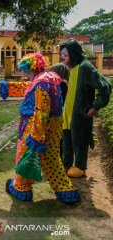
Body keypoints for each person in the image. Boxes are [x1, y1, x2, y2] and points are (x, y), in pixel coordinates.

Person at [0, 53, 80, 203]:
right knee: (52, 160)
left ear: (32, 68)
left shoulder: (41, 83)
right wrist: (5, 84)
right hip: (53, 128)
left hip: (37, 127)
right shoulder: (49, 78)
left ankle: (22, 188)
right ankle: (65, 190)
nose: (26, 75)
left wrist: (37, 136)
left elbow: (42, 111)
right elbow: (27, 88)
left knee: (26, 157)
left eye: (26, 71)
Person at [59, 39, 112, 178]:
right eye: (62, 54)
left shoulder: (85, 67)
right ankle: (67, 164)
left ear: (73, 53)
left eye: (65, 54)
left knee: (80, 141)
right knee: (67, 141)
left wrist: (96, 107)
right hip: (68, 115)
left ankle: (80, 167)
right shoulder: (72, 68)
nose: (62, 57)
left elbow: (105, 86)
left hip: (80, 115)